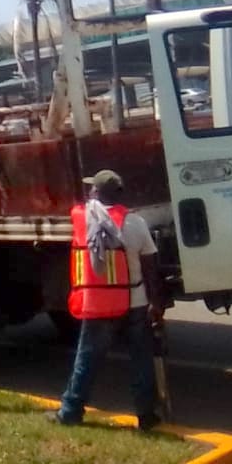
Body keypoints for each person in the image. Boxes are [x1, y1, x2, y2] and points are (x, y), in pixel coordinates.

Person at [48, 168, 164, 430]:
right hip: (134, 301)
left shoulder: (82, 219)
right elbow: (150, 268)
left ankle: (70, 412)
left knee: (86, 359)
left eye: (92, 189)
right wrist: (156, 304)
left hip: (98, 305)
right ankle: (146, 416)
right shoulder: (136, 223)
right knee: (141, 360)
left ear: (96, 193)